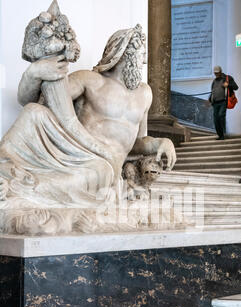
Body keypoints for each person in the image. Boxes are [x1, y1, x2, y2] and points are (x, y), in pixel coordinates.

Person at [0, 23, 176, 203]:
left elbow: (137, 143)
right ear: (121, 53)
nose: (144, 61)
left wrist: (160, 142)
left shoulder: (145, 93)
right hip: (78, 154)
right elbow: (35, 99)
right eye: (140, 53)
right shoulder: (90, 80)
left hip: (107, 166)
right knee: (33, 112)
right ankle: (6, 171)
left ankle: (15, 188)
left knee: (100, 171)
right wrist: (33, 74)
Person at [209, 65, 239, 140]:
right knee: (216, 120)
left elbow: (236, 87)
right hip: (215, 103)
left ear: (220, 71)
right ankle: (220, 135)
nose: (216, 74)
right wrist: (210, 99)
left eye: (217, 73)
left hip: (223, 101)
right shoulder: (214, 81)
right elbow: (213, 92)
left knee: (221, 115)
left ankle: (224, 133)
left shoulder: (227, 78)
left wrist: (228, 85)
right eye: (215, 73)